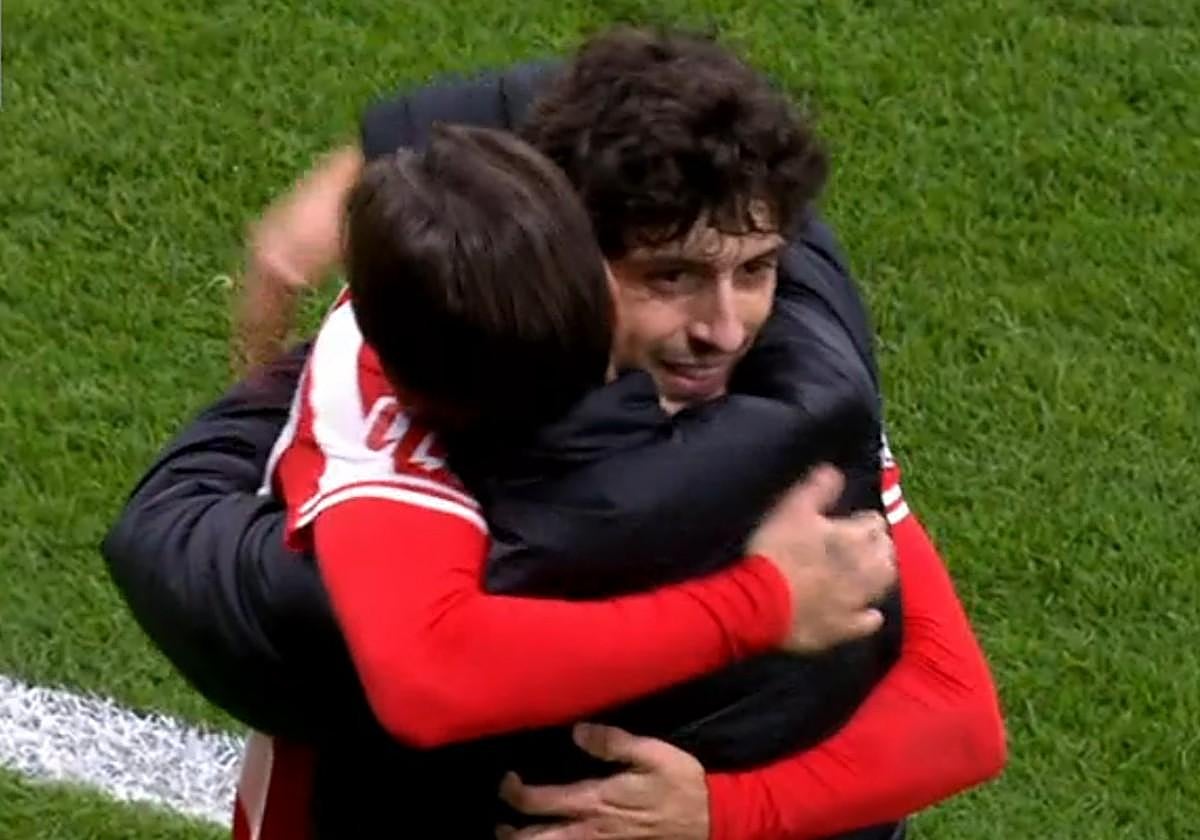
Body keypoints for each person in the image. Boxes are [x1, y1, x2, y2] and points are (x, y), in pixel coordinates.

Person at [103, 28, 1005, 840]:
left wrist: (722, 812)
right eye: (670, 278)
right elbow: (424, 677)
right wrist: (760, 603)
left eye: (758, 270)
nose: (724, 327)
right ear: (570, 255)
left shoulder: (786, 392)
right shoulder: (416, 388)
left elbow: (958, 713)